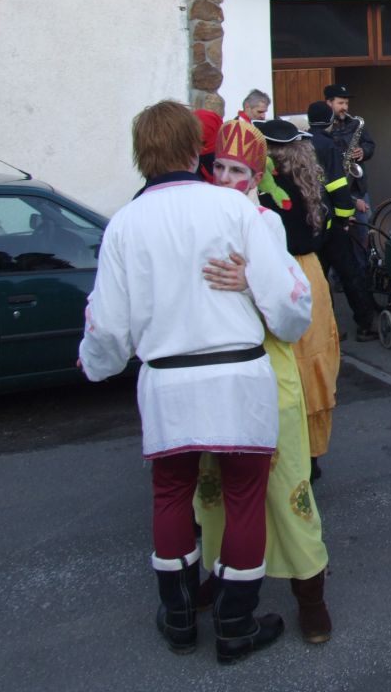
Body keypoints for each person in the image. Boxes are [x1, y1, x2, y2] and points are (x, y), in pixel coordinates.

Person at [78, 100, 311, 662]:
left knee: (171, 493)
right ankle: (236, 626)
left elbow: (107, 325)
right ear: (193, 151)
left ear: (141, 156)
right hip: (239, 377)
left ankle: (180, 620)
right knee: (245, 498)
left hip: (168, 382)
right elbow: (288, 305)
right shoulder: (234, 210)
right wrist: (274, 311)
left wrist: (95, 362)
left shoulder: (125, 223)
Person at [198, 118, 332, 643]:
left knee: (286, 484)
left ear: (257, 178)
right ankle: (220, 576)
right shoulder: (196, 218)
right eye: (220, 167)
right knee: (213, 489)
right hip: (212, 372)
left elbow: (294, 314)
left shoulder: (266, 223)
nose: (226, 179)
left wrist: (251, 282)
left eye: (238, 171)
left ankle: (311, 598)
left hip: (266, 368)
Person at [255, 119, 341, 476]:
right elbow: (326, 228)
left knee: (286, 359)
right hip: (310, 272)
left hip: (281, 273)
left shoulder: (264, 191)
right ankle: (311, 455)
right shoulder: (309, 180)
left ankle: (286, 453)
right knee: (313, 354)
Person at [305, 101, 377, 344]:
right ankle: (365, 326)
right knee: (350, 274)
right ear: (329, 121)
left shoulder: (300, 144)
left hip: (310, 222)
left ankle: (326, 330)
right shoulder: (328, 145)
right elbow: (338, 185)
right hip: (333, 223)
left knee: (318, 279)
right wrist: (345, 217)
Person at [324, 82, 375, 222]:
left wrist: (363, 151)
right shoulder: (324, 127)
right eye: (340, 103)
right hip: (336, 187)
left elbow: (370, 144)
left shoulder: (355, 123)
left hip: (358, 187)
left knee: (366, 227)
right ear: (329, 103)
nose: (345, 107)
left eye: (346, 103)